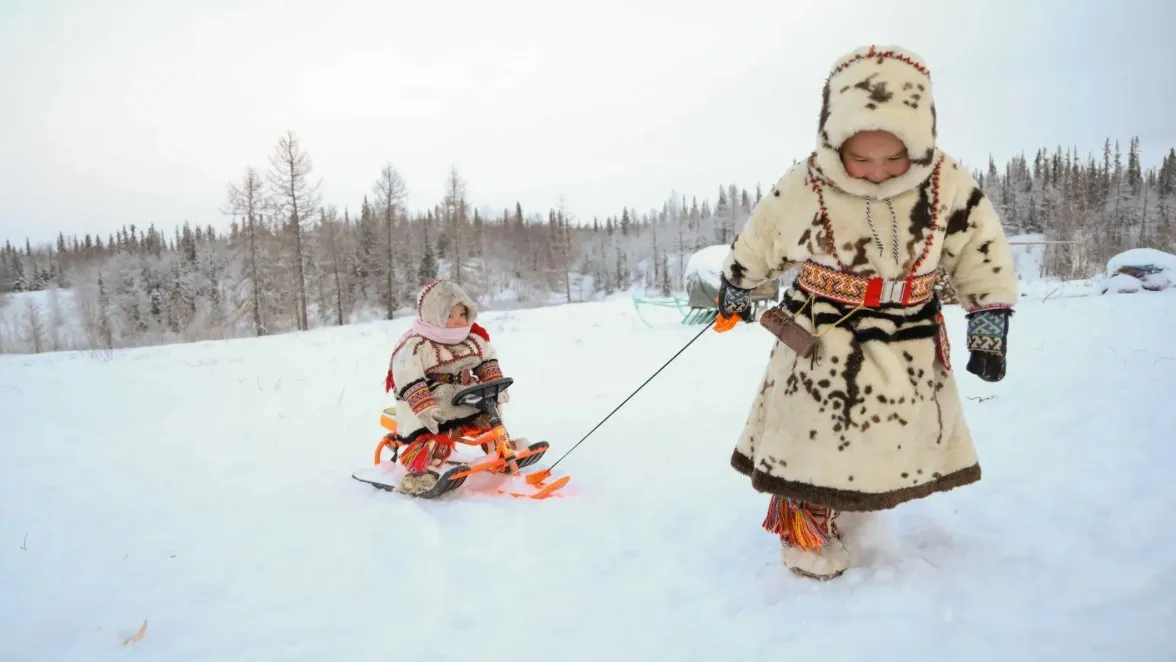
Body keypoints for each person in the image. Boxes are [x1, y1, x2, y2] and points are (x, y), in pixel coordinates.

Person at [715, 44, 1018, 580]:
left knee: (889, 430)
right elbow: (763, 235)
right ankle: (804, 530)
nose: (877, 171)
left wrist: (988, 324)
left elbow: (980, 251)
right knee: (809, 432)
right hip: (821, 331)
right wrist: (739, 282)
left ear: (921, 141)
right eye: (861, 157)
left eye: (894, 156)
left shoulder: (948, 185)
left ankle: (855, 499)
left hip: (910, 335)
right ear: (833, 141)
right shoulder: (806, 183)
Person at [384, 279, 510, 496]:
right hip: (432, 401)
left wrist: (494, 384)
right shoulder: (418, 346)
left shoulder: (472, 339)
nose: (459, 321)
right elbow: (408, 375)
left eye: (462, 314)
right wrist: (425, 406)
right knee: (438, 431)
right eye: (450, 316)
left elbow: (486, 359)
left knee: (490, 415)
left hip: (465, 394)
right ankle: (421, 472)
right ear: (435, 316)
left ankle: (501, 449)